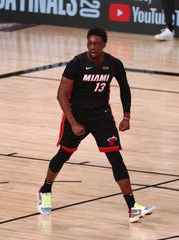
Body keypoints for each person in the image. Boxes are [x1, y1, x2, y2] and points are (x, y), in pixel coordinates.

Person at [37, 27, 155, 223]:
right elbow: (60, 95)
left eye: (96, 44)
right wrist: (73, 123)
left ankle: (133, 207)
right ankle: (46, 189)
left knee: (116, 158)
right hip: (77, 116)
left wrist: (126, 116)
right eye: (89, 43)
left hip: (102, 117)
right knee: (63, 154)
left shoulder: (113, 64)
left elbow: (125, 88)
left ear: (104, 45)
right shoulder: (77, 64)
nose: (92, 47)